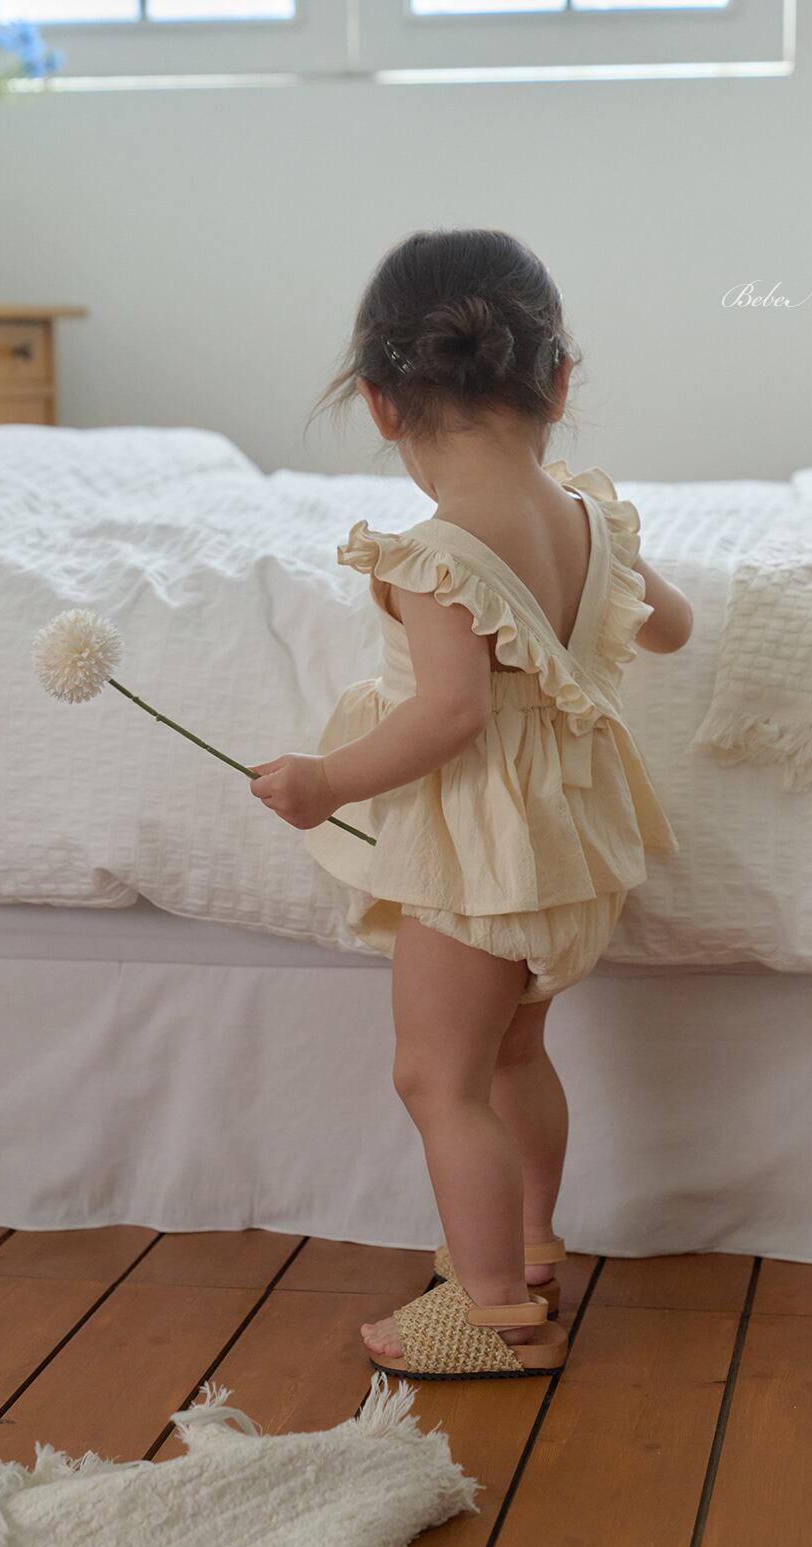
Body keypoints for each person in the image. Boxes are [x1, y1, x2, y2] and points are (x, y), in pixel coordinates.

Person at [248, 227, 692, 1382]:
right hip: (574, 844)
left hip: (480, 855)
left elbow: (451, 714)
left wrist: (326, 781)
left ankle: (494, 1314)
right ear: (558, 381)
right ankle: (527, 1250)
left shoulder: (436, 554)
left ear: (380, 402)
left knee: (436, 1077)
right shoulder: (588, 517)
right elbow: (673, 626)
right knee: (512, 1057)